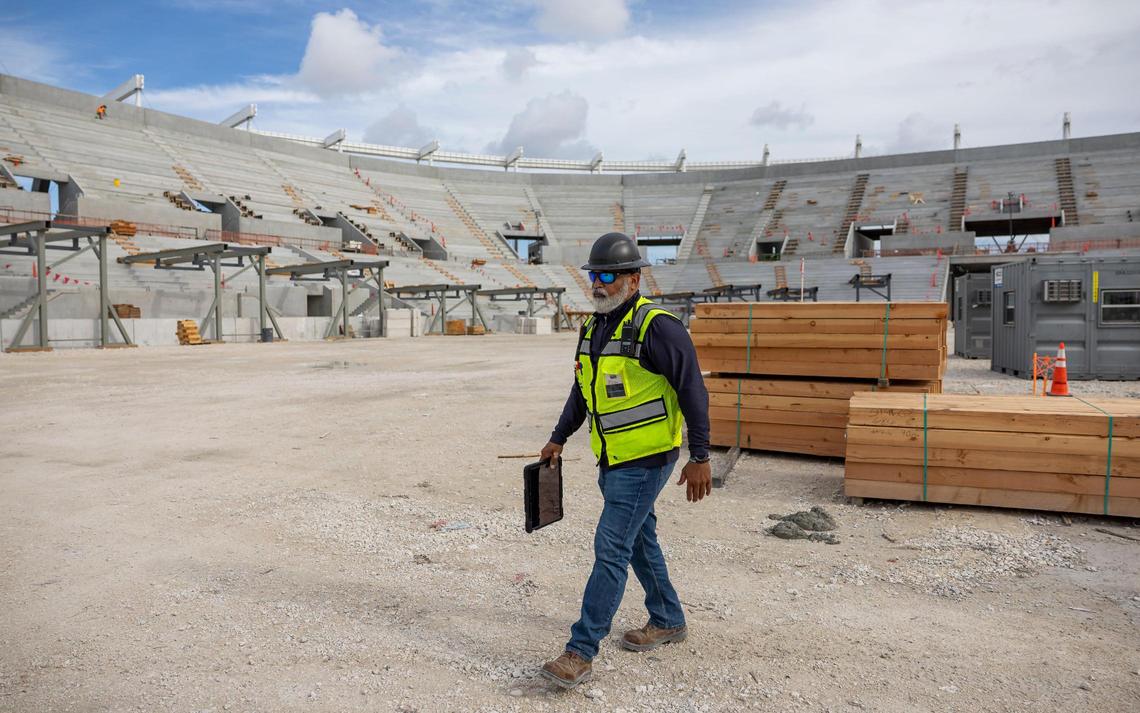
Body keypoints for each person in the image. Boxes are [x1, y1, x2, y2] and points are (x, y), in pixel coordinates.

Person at [538, 232, 712, 689]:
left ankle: (580, 651)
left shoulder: (660, 327)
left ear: (633, 279)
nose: (597, 283)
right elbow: (583, 390)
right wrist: (558, 437)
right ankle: (669, 618)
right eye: (593, 275)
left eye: (608, 275)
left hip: (648, 459)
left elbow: (693, 389)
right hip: (612, 458)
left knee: (611, 546)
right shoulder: (592, 328)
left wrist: (700, 455)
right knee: (638, 540)